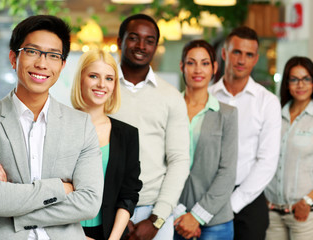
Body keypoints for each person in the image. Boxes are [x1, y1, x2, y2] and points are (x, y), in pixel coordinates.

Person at [0, 15, 103, 240]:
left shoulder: (81, 125)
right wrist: (61, 188)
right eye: (32, 51)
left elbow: (89, 203)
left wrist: (14, 204)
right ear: (13, 57)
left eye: (53, 55)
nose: (42, 63)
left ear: (62, 64)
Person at [111, 14, 190, 240]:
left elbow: (179, 159)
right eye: (134, 38)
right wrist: (113, 216)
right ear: (120, 41)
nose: (141, 46)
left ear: (156, 46)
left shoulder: (171, 97)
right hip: (107, 209)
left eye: (149, 40)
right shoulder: (101, 90)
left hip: (154, 211)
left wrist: (157, 219)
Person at [209, 26, 281, 240]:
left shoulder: (267, 102)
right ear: (224, 53)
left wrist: (233, 203)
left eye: (249, 55)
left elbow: (267, 162)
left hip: (248, 201)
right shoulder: (206, 96)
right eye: (236, 52)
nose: (242, 60)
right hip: (206, 194)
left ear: (256, 59)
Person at [70, 49, 142, 240]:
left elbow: (128, 194)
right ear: (81, 79)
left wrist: (113, 239)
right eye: (94, 76)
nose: (102, 84)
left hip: (109, 233)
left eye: (109, 78)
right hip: (65, 232)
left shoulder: (127, 135)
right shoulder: (60, 127)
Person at [174, 40, 238, 240]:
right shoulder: (169, 109)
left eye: (205, 63)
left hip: (215, 221)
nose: (198, 70)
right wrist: (178, 212)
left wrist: (196, 217)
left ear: (214, 68)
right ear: (182, 66)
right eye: (191, 63)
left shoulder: (227, 114)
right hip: (173, 216)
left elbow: (227, 172)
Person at [265, 56, 313, 240]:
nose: (300, 85)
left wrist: (308, 200)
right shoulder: (275, 114)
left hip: (303, 214)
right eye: (294, 79)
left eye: (306, 79)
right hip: (272, 212)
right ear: (286, 83)